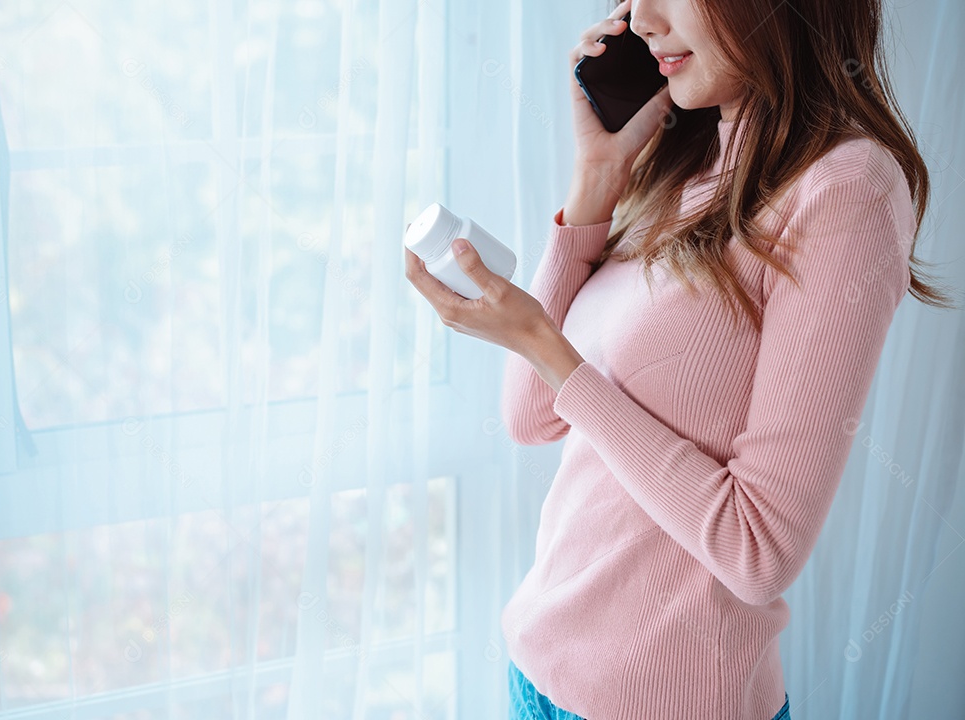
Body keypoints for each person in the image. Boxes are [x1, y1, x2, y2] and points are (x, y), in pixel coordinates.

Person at [404, 0, 953, 717]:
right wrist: (596, 181)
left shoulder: (846, 188)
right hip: (536, 671)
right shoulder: (687, 157)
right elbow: (530, 415)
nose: (642, 21)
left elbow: (760, 552)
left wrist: (544, 343)